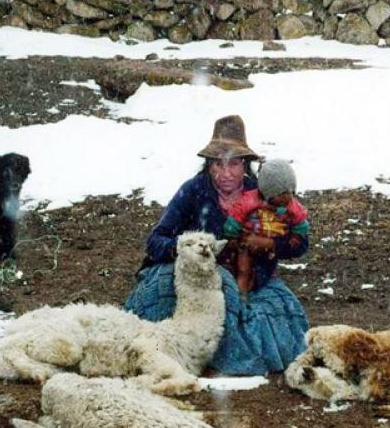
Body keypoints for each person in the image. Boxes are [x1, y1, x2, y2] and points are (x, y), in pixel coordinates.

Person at [123, 115, 310, 375]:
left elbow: (299, 244)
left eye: (233, 164)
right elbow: (156, 242)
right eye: (218, 165)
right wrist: (185, 250)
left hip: (248, 279)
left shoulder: (264, 194)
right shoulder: (193, 191)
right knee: (159, 316)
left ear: (245, 165)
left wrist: (268, 244)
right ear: (208, 165)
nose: (225, 174)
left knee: (273, 320)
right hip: (196, 278)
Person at [224, 159, 310, 294]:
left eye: (291, 193)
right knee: (243, 269)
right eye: (282, 194)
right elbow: (236, 216)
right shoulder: (250, 201)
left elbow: (302, 225)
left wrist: (294, 237)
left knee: (262, 267)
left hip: (268, 250)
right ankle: (241, 293)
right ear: (268, 192)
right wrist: (232, 235)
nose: (287, 198)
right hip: (245, 245)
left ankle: (255, 282)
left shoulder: (291, 207)